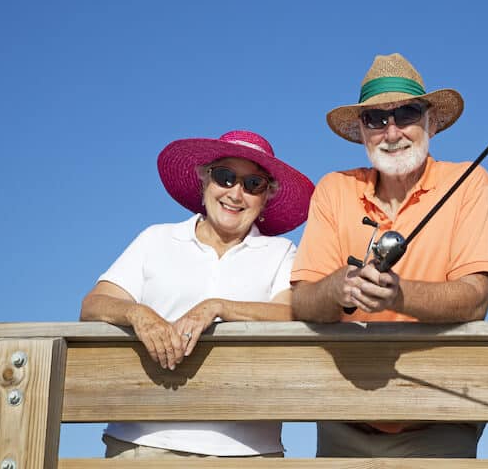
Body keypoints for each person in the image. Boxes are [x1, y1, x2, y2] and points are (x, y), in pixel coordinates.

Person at [291, 53, 488, 458]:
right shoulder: (333, 189)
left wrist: (397, 294)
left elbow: (476, 296)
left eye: (406, 113)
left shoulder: (470, 183)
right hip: (342, 417)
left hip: (439, 419)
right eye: (375, 118)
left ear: (431, 121)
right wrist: (338, 288)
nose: (392, 131)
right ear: (362, 130)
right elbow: (301, 299)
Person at [80, 130, 314, 459]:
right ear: (205, 180)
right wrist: (140, 314)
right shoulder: (155, 239)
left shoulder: (280, 252)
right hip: (142, 442)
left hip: (248, 452)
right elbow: (94, 304)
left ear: (266, 198)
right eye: (225, 177)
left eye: (253, 184)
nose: (236, 193)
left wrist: (216, 307)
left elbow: (292, 311)